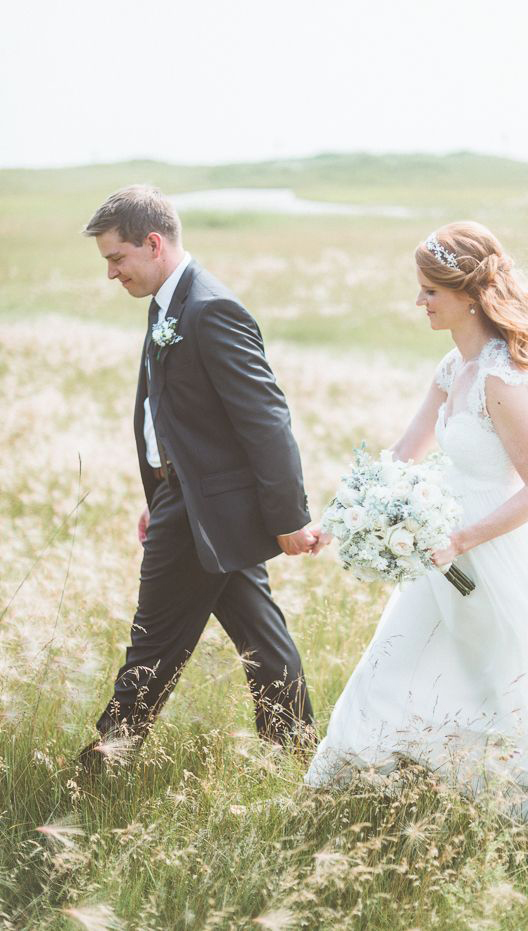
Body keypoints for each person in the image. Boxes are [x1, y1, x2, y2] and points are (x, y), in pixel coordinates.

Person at [304, 221, 528, 820]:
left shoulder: (503, 381)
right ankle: (368, 785)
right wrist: (335, 520)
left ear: (468, 296)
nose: (418, 302)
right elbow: (403, 453)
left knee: (506, 672)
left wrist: (463, 538)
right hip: (438, 546)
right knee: (397, 660)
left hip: (493, 547)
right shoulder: (454, 368)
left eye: (429, 292)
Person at [79, 185, 322, 769]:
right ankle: (296, 755)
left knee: (154, 642)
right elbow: (174, 414)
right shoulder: (165, 303)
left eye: (117, 258)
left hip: (202, 511)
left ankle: (99, 768)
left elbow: (266, 420)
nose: (112, 273)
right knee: (262, 640)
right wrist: (161, 486)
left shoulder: (210, 309)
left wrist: (290, 519)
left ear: (154, 243)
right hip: (188, 499)